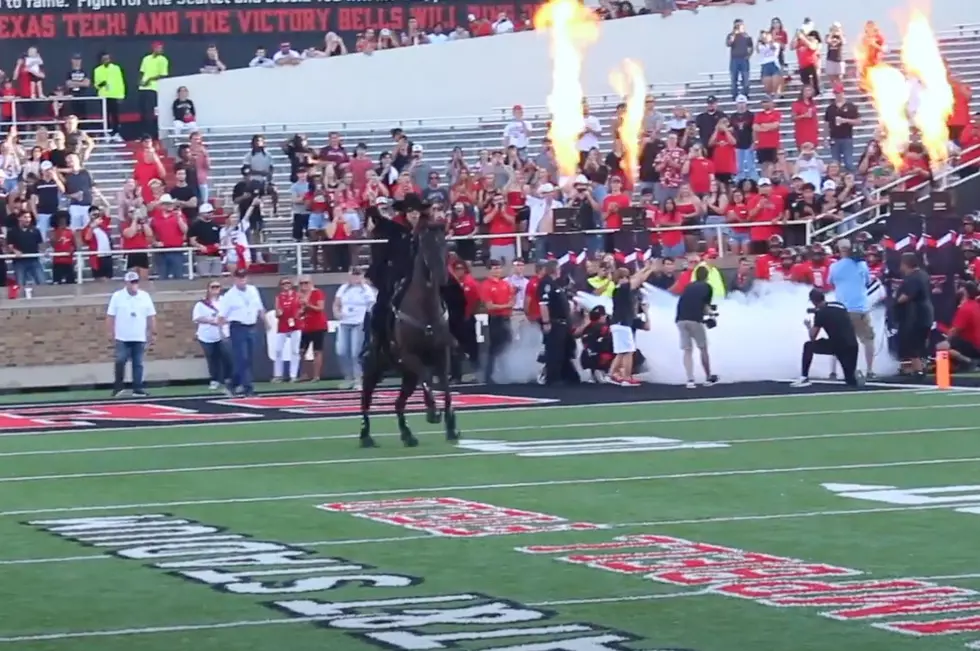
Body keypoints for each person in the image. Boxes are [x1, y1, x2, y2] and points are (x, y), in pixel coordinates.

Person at [792, 289, 863, 387]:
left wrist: (809, 326)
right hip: (852, 345)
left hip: (837, 346)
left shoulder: (820, 314)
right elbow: (835, 316)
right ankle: (855, 374)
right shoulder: (839, 305)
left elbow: (813, 336)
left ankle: (804, 377)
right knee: (850, 380)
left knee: (808, 346)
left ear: (813, 301)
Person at [827, 239, 876, 377]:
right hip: (860, 308)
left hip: (841, 308)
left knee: (837, 340)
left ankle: (833, 371)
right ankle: (870, 370)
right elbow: (868, 281)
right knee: (868, 339)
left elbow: (829, 282)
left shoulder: (834, 267)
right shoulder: (861, 264)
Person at [106, 271, 157, 398]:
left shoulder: (145, 296)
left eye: (136, 282)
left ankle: (138, 388)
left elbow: (151, 316)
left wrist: (153, 332)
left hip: (139, 336)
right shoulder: (117, 296)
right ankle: (118, 387)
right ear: (126, 283)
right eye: (132, 282)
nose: (134, 284)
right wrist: (110, 332)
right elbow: (110, 316)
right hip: (122, 336)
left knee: (138, 363)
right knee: (120, 360)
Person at [218, 268, 266, 397]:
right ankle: (248, 388)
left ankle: (233, 384)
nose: (242, 280)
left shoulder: (253, 290)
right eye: (239, 278)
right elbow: (222, 316)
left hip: (251, 326)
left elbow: (260, 307)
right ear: (235, 279)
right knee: (242, 358)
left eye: (244, 277)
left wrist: (266, 321)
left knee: (248, 359)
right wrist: (222, 332)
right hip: (238, 327)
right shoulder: (229, 296)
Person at [609, 260, 656, 385]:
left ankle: (612, 374)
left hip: (618, 323)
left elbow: (635, 278)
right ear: (617, 279)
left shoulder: (619, 289)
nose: (625, 279)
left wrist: (646, 268)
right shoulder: (621, 289)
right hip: (622, 323)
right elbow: (638, 280)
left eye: (626, 277)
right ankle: (627, 377)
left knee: (621, 352)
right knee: (629, 351)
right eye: (622, 277)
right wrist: (649, 269)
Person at [675, 265, 719, 389]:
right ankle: (708, 377)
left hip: (680, 319)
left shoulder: (688, 286)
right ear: (707, 276)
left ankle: (690, 379)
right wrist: (712, 314)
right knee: (703, 348)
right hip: (695, 319)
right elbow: (705, 307)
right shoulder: (707, 287)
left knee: (687, 350)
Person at [333, 267, 376, 389]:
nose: (355, 278)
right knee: (341, 351)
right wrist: (337, 313)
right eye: (353, 275)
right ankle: (348, 377)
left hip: (359, 323)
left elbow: (372, 304)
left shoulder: (366, 289)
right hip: (344, 323)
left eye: (358, 275)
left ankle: (359, 379)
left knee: (355, 352)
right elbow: (336, 303)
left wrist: (363, 285)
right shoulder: (343, 288)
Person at [893, 252, 934, 379]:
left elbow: (906, 296)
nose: (900, 267)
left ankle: (918, 371)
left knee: (913, 343)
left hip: (916, 314)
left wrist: (894, 302)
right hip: (926, 313)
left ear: (906, 264)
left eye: (902, 264)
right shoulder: (923, 274)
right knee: (920, 343)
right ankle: (918, 368)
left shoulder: (914, 277)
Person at [537, 260, 577, 386]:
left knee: (565, 350)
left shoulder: (555, 284)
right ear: (553, 269)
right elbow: (543, 304)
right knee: (555, 351)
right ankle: (552, 378)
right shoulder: (546, 283)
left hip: (563, 323)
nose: (560, 270)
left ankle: (567, 375)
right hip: (555, 323)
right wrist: (546, 322)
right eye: (558, 268)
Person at [192, 279, 232, 392]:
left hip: (223, 334)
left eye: (217, 287)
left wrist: (222, 320)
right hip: (206, 336)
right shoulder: (201, 304)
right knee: (212, 359)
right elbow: (197, 318)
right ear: (208, 289)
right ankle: (215, 380)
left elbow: (230, 314)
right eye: (213, 287)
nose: (215, 289)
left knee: (227, 357)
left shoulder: (225, 301)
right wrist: (211, 320)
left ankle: (228, 379)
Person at [480, 259, 515, 384]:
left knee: (507, 345)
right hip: (495, 319)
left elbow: (512, 300)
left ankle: (506, 373)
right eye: (494, 268)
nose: (497, 271)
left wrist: (506, 305)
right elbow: (489, 306)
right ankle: (488, 376)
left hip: (506, 318)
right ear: (489, 270)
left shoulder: (505, 284)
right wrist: (507, 305)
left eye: (499, 268)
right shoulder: (486, 285)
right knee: (494, 349)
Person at [937, 282, 980, 371]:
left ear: (965, 291)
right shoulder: (976, 306)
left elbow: (954, 330)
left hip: (973, 346)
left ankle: (943, 373)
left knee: (940, 346)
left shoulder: (965, 308)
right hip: (974, 344)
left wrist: (946, 341)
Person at [297, 275, 328, 382]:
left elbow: (320, 308)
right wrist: (301, 311)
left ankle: (316, 376)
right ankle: (305, 374)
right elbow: (299, 312)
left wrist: (308, 305)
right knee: (301, 351)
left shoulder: (317, 292)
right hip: (306, 326)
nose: (304, 285)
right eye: (301, 283)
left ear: (311, 283)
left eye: (306, 283)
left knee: (317, 351)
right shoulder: (299, 295)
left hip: (318, 325)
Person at [138, 41, 169, 140]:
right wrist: (140, 82)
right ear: (153, 48)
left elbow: (163, 75)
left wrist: (149, 80)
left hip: (154, 88)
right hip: (143, 88)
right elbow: (142, 72)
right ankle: (144, 134)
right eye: (158, 48)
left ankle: (152, 134)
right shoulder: (146, 59)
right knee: (143, 112)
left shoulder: (163, 60)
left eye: (161, 48)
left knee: (150, 112)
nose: (160, 50)